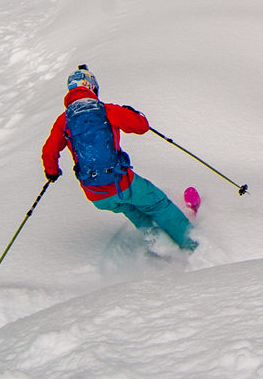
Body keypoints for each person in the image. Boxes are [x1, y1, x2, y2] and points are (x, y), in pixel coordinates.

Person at [41, 65, 197, 252]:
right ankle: (191, 243)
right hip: (121, 182)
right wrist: (133, 113)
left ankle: (161, 246)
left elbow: (48, 152)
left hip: (96, 194)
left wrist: (52, 172)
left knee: (132, 211)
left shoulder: (63, 121)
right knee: (157, 203)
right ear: (91, 87)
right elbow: (141, 126)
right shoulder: (105, 110)